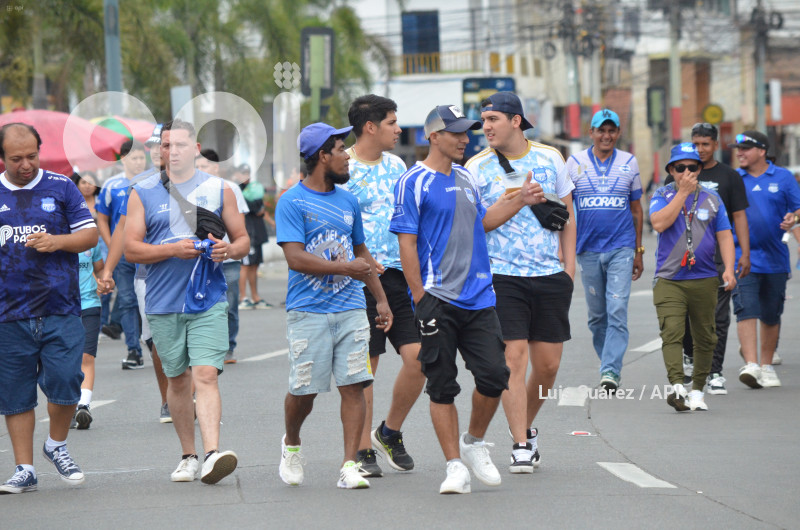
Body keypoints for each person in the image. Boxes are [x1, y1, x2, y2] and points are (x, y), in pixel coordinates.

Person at [392, 104, 544, 493]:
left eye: (467, 132)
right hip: (436, 299)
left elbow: (483, 222)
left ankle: (473, 443)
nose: (464, 139)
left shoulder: (467, 177)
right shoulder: (413, 181)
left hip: (479, 298)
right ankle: (454, 466)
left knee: (495, 377)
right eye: (456, 132)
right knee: (442, 385)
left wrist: (519, 200)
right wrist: (419, 297)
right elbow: (406, 245)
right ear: (433, 136)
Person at [124, 119, 249, 484]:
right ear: (158, 151)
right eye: (166, 145)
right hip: (162, 302)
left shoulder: (219, 189)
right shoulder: (142, 192)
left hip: (206, 298)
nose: (172, 151)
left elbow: (242, 240)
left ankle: (212, 454)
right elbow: (132, 247)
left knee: (206, 375)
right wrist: (170, 250)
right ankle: (188, 455)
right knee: (177, 381)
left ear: (195, 149)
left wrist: (228, 250)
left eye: (180, 144)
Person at [275, 122, 393, 490]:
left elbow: (361, 254)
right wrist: (346, 267)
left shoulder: (348, 201)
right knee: (304, 392)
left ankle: (350, 464)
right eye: (341, 150)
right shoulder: (291, 201)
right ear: (322, 156)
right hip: (308, 310)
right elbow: (295, 258)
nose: (347, 157)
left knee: (354, 385)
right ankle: (291, 444)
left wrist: (381, 298)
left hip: (351, 308)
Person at [464, 92, 576, 474]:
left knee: (547, 368)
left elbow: (566, 214)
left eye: (493, 119)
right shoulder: (476, 168)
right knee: (513, 360)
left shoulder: (550, 158)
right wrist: (516, 200)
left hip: (549, 274)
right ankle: (521, 444)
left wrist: (569, 266)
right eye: (484, 120)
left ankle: (526, 423)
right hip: (501, 276)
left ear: (516, 120)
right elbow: (475, 226)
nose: (487, 127)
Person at [0, 123, 99, 493]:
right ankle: (24, 468)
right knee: (15, 393)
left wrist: (57, 241)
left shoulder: (61, 186)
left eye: (32, 156)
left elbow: (90, 235)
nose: (26, 164)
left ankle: (56, 444)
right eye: (16, 158)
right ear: (3, 157)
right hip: (8, 311)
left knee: (66, 382)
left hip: (60, 306)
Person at [344, 94, 425, 477]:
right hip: (357, 280)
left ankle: (389, 431)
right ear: (370, 127)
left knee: (421, 358)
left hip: (398, 277)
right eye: (392, 122)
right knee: (366, 367)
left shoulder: (397, 166)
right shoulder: (342, 166)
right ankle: (362, 450)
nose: (398, 129)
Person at [664, 123, 751, 395]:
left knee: (717, 317)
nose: (701, 149)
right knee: (688, 318)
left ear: (715, 145)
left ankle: (715, 371)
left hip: (715, 260)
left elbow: (738, 217)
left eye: (706, 144)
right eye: (696, 143)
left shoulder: (729, 177)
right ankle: (691, 356)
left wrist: (743, 253)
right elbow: (664, 219)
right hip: (682, 263)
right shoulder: (675, 177)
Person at [649, 143, 736, 412]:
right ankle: (677, 387)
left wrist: (729, 269)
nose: (686, 171)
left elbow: (724, 236)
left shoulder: (712, 198)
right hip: (669, 279)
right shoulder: (661, 194)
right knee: (672, 333)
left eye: (692, 167)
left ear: (699, 169)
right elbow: (659, 223)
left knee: (705, 337)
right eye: (680, 167)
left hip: (705, 277)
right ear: (671, 170)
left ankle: (697, 390)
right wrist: (682, 194)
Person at [564, 109, 643, 391]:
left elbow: (636, 209)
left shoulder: (629, 162)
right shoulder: (574, 163)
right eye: (601, 130)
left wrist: (639, 251)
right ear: (592, 133)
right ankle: (607, 362)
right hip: (588, 250)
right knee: (598, 316)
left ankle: (610, 370)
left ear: (618, 133)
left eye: (612, 131)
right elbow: (566, 209)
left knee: (618, 309)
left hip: (621, 247)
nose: (606, 136)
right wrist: (566, 250)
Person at [101, 124, 173, 423]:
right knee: (157, 340)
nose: (158, 150)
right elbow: (121, 228)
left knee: (192, 343)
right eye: (153, 145)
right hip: (150, 277)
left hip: (195, 278)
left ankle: (190, 389)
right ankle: (169, 399)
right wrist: (107, 270)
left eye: (164, 144)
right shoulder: (139, 186)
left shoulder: (201, 184)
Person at [729, 131, 800, 388]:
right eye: (738, 149)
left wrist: (794, 217)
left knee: (771, 315)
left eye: (745, 148)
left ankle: (767, 365)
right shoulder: (734, 178)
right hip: (742, 258)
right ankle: (752, 365)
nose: (740, 153)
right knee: (745, 310)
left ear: (761, 151)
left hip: (775, 259)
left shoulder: (783, 177)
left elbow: (798, 208)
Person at [96, 139, 146, 369]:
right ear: (123, 159)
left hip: (148, 253)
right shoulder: (111, 185)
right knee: (126, 300)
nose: (138, 162)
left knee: (147, 300)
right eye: (134, 158)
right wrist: (110, 244)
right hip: (123, 255)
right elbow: (103, 219)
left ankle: (156, 345)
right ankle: (133, 350)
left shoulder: (151, 182)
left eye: (141, 157)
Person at [196, 149, 250, 364]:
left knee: (229, 304)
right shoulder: (189, 190)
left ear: (216, 167)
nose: (201, 170)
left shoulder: (231, 189)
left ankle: (229, 346)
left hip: (228, 258)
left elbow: (240, 228)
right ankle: (209, 346)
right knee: (205, 303)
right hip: (200, 259)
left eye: (205, 166)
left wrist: (233, 248)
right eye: (198, 167)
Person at [70, 240, 115, 429]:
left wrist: (104, 281)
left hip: (89, 304)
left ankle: (83, 406)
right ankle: (68, 405)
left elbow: (100, 269)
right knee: (65, 361)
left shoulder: (90, 239)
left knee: (86, 357)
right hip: (62, 307)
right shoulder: (53, 235)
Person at [235, 164, 275, 309]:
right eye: (243, 173)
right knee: (245, 265)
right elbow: (253, 207)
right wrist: (255, 206)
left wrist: (272, 222)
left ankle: (255, 297)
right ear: (237, 174)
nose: (246, 176)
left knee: (254, 265)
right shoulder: (237, 189)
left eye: (248, 173)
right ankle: (243, 298)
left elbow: (260, 208)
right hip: (247, 233)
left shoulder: (253, 189)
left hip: (257, 233)